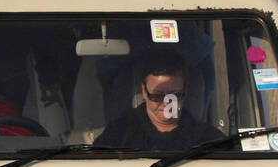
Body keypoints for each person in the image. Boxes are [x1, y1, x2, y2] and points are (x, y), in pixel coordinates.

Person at [94, 50, 224, 152]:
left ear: (185, 92)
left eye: (175, 95)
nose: (167, 103)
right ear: (144, 92)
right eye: (158, 96)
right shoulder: (118, 135)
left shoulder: (209, 140)